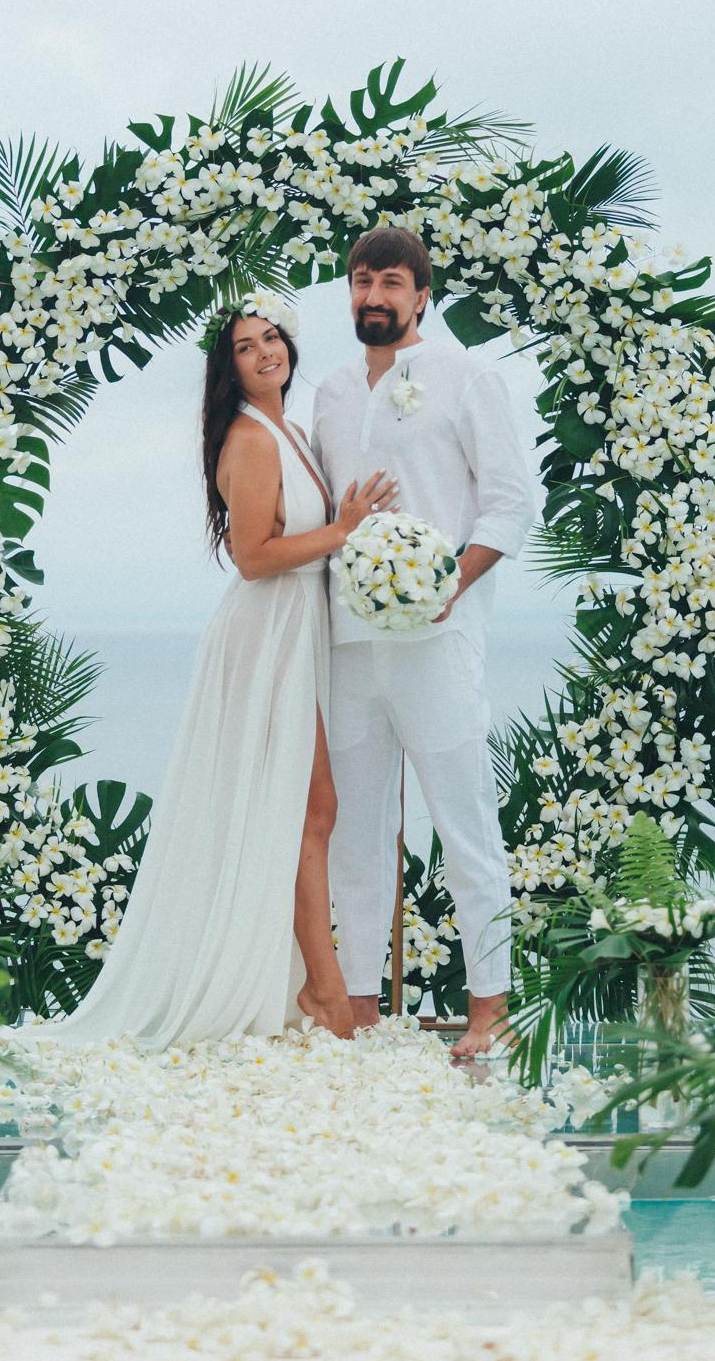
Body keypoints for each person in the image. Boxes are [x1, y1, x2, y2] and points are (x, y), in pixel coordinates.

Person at [40, 294, 397, 1049]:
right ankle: (326, 991)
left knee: (310, 810)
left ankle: (313, 983)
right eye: (246, 346)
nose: (267, 350)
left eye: (273, 337)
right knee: (311, 808)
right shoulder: (251, 440)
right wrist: (341, 530)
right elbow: (253, 556)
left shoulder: (288, 431)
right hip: (264, 634)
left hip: (296, 632)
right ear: (227, 369)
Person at [312, 226, 537, 1059]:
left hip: (438, 640)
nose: (374, 297)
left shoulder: (469, 377)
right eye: (361, 281)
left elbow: (510, 503)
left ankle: (490, 1011)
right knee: (356, 829)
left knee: (464, 815)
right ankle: (361, 1009)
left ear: (422, 296)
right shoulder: (331, 393)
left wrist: (449, 584)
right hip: (346, 642)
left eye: (392, 282)